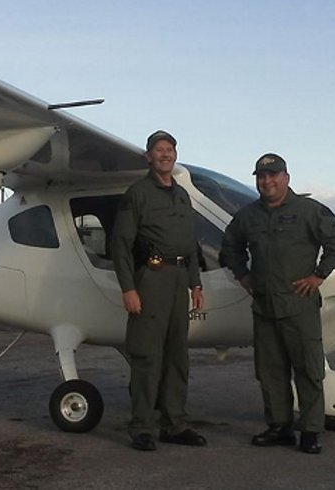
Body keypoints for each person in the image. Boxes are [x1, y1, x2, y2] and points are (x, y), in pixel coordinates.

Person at [220, 152, 335, 454]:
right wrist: (242, 275)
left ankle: (310, 430)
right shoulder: (248, 216)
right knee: (270, 370)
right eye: (261, 176)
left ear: (286, 178)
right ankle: (279, 426)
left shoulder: (309, 211)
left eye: (273, 175)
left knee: (307, 368)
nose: (267, 181)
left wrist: (318, 275)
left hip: (299, 305)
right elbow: (230, 246)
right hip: (264, 307)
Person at [110, 130, 206, 451]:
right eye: (159, 150)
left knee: (177, 356)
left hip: (180, 278)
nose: (165, 154)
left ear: (175, 155)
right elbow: (120, 245)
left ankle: (174, 424)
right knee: (147, 355)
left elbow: (189, 244)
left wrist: (196, 282)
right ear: (148, 156)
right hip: (151, 279)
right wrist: (129, 288)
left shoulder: (182, 196)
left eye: (170, 149)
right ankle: (142, 427)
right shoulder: (137, 194)